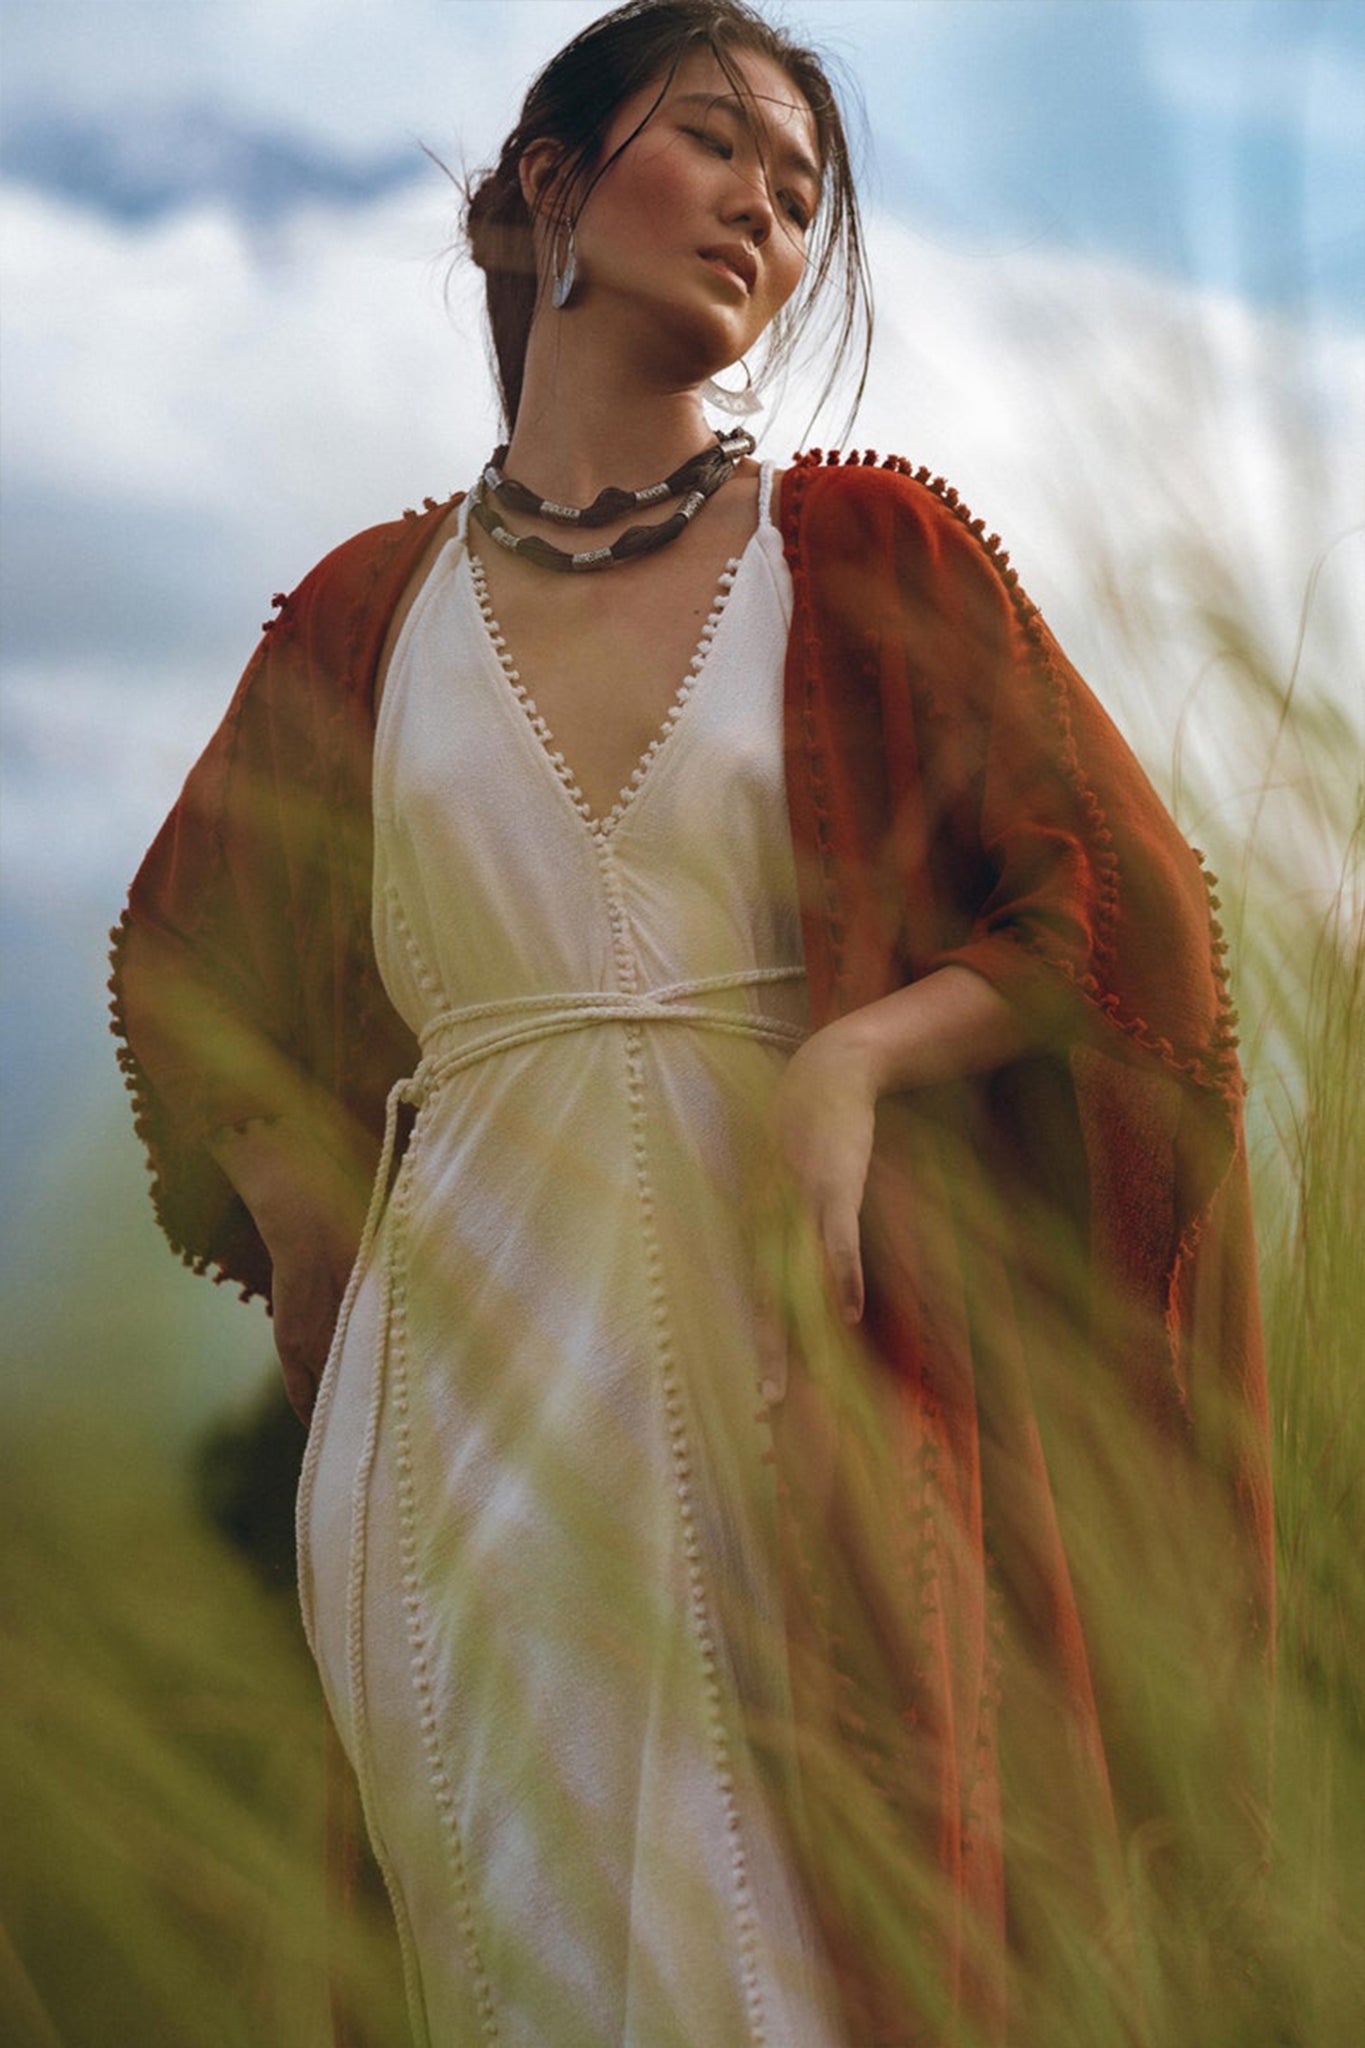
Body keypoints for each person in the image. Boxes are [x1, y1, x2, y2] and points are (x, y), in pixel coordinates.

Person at [109, 2, 1273, 2043]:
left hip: (796, 1361)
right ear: (554, 180)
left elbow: (1127, 918)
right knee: (513, 1957)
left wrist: (854, 1057)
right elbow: (183, 952)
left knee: (818, 1944)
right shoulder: (366, 614)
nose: (764, 207)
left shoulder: (870, 558)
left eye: (802, 193)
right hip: (456, 1388)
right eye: (716, 142)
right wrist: (298, 1200)